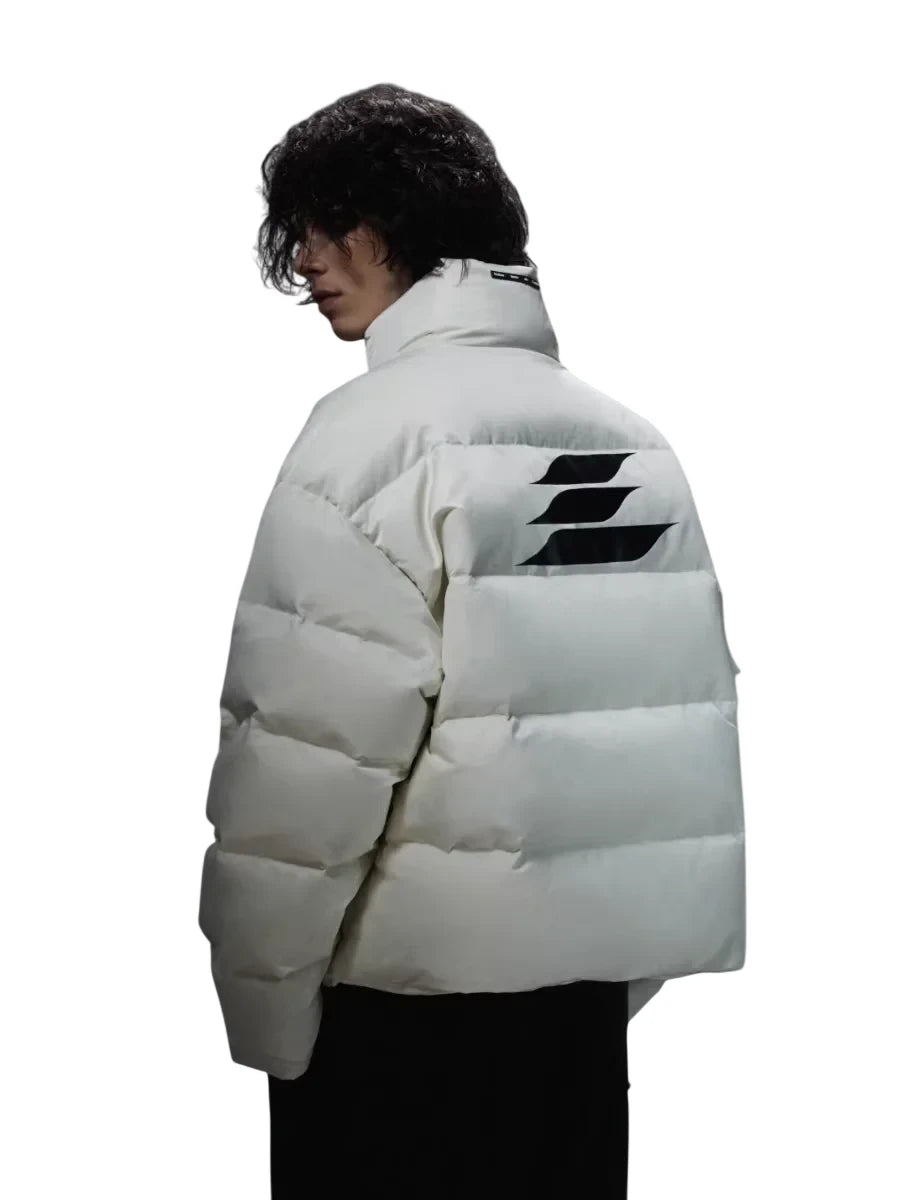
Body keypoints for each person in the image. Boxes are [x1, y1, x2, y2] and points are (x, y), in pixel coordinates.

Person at [198, 82, 746, 1198]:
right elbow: (663, 732)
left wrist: (267, 1017)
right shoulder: (631, 441)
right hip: (576, 1033)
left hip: (397, 1031)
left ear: (402, 224)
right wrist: (598, 972)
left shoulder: (371, 445)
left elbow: (305, 760)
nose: (305, 259)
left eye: (327, 224)